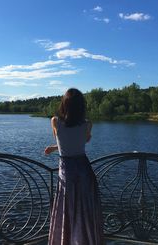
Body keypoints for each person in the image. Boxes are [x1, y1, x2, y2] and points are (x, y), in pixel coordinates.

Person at [44, 88, 104, 245]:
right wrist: (54, 147)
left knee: (66, 210)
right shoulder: (88, 124)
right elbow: (79, 142)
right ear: (81, 106)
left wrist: (54, 148)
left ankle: (65, 240)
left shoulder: (55, 121)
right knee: (84, 211)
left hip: (67, 172)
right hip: (84, 170)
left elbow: (64, 140)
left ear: (64, 104)